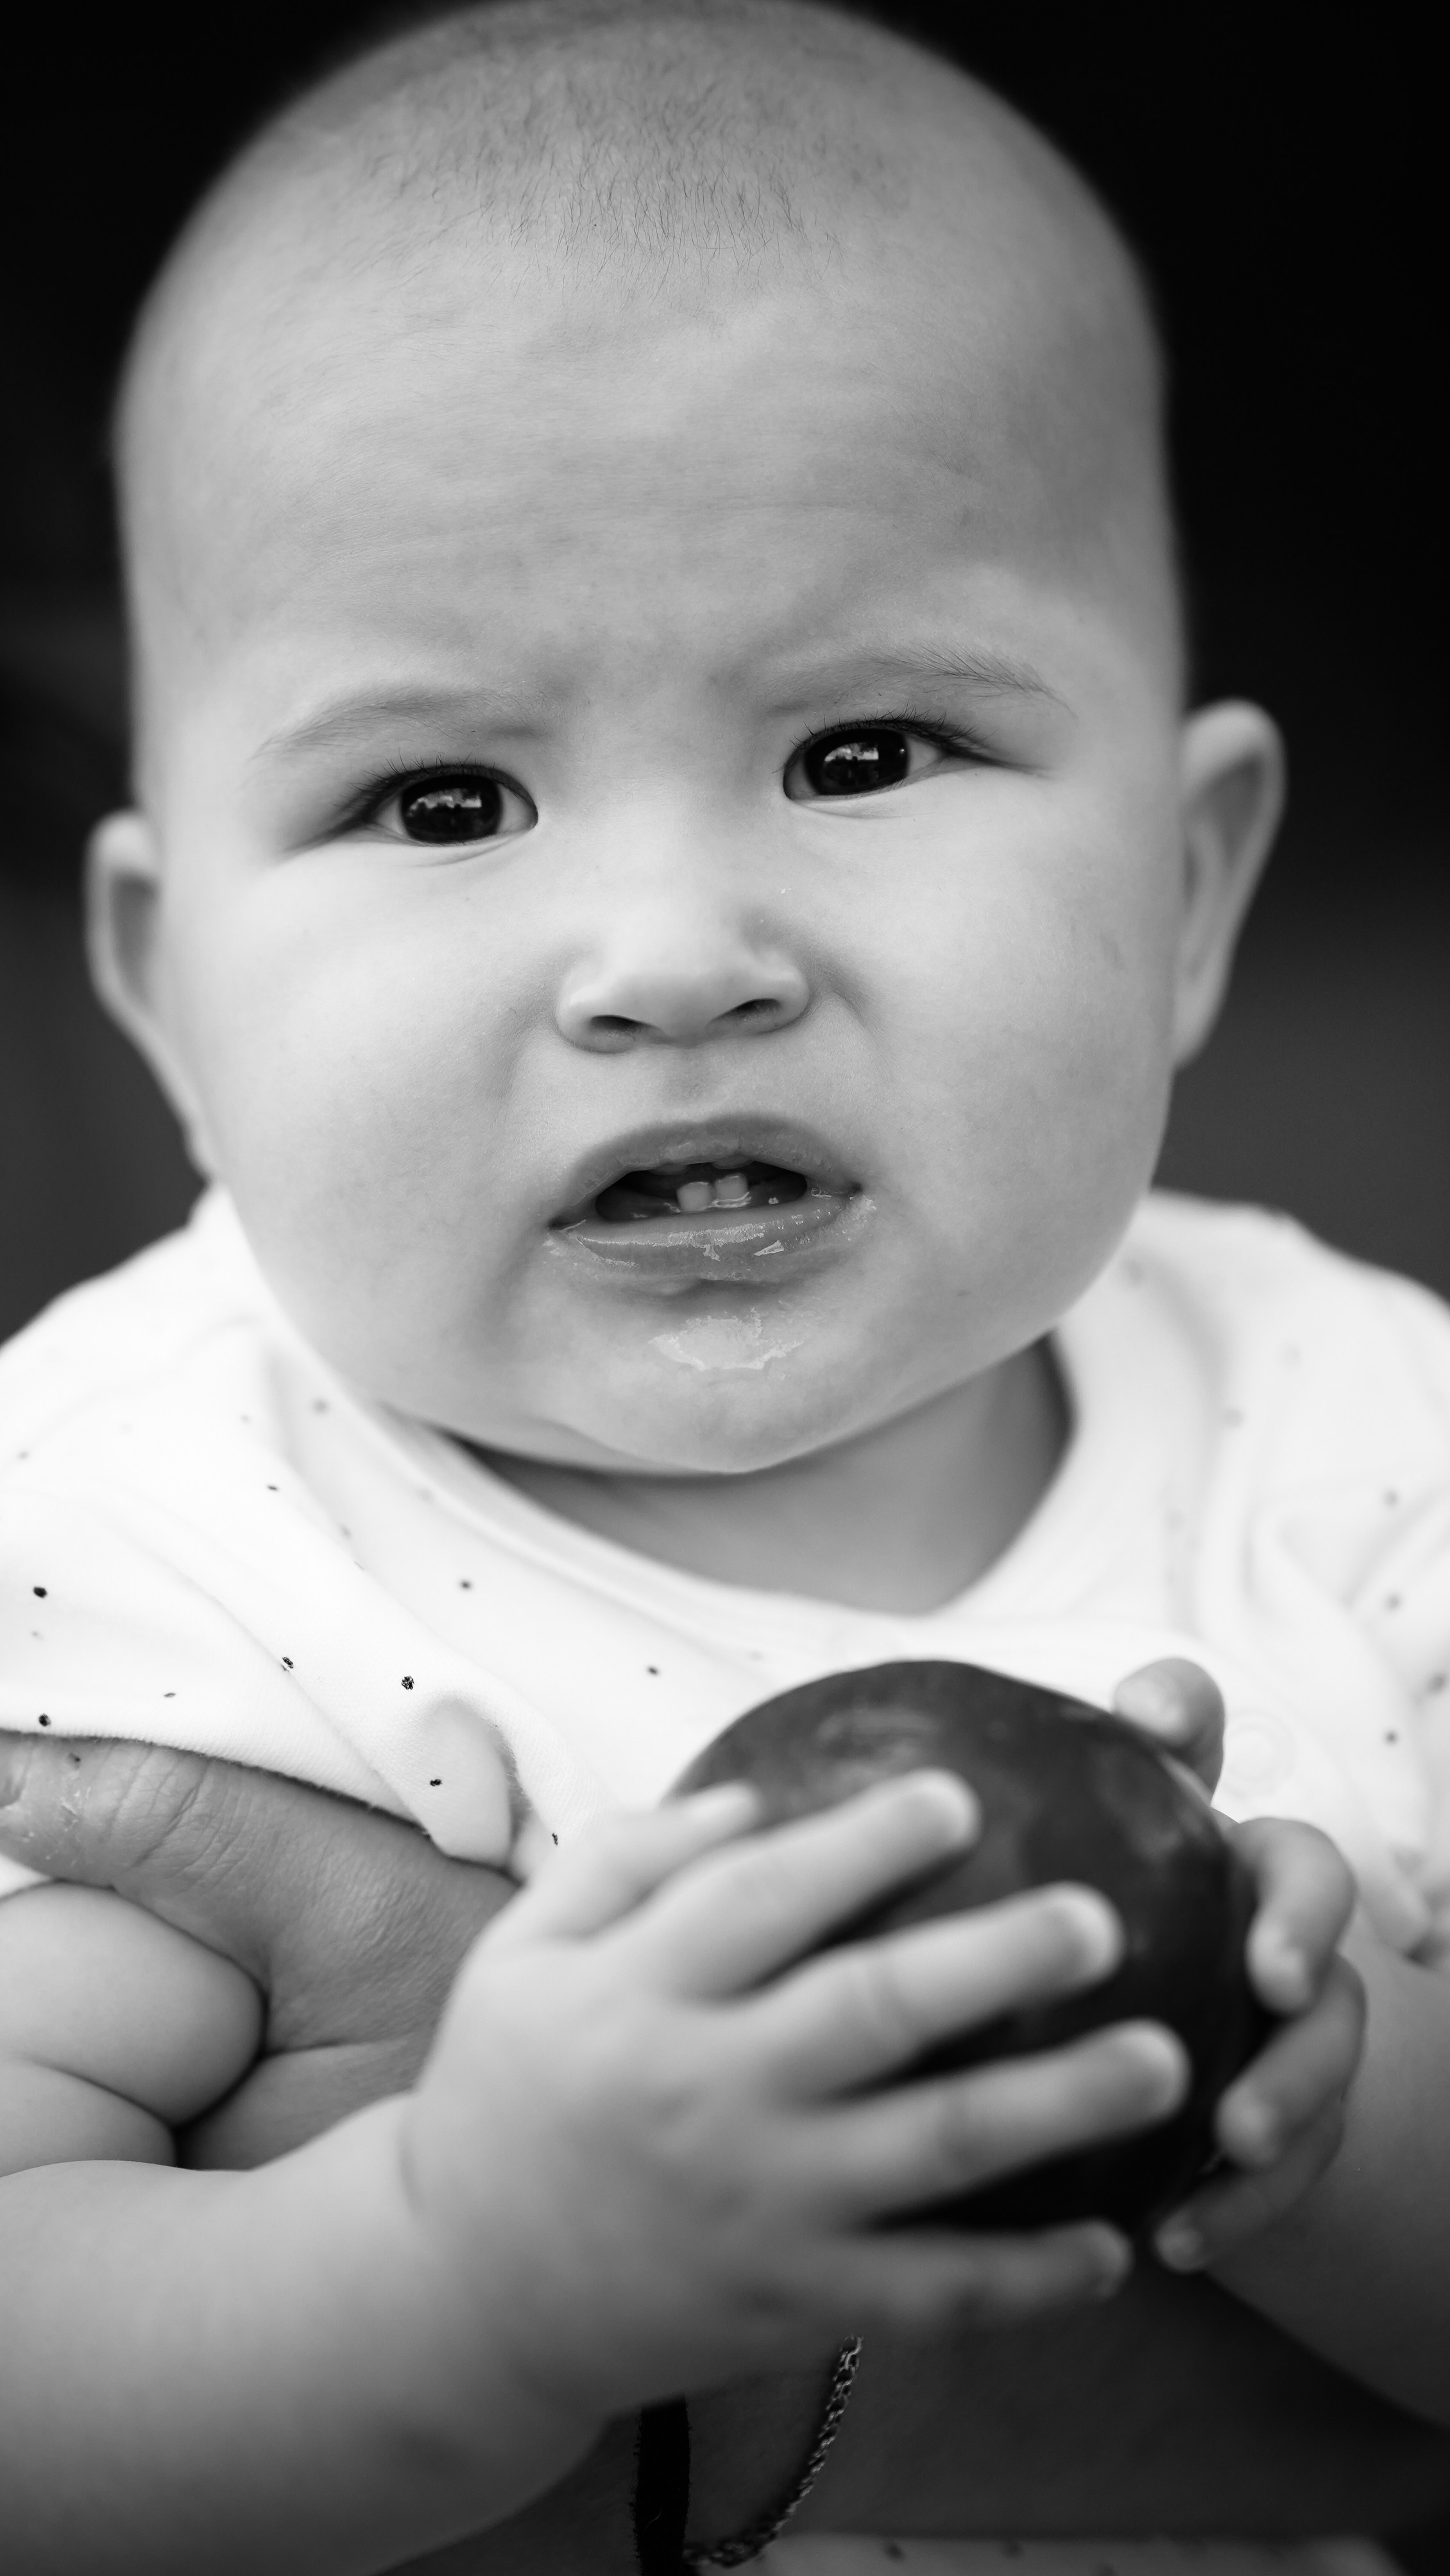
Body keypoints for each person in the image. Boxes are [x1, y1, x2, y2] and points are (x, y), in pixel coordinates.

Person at [0, 0, 1447, 2566]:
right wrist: (468, 2267)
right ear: (171, 989)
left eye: (864, 748)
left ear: (1190, 889)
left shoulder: (1363, 1456)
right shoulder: (150, 1553)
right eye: (442, 796)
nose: (673, 951)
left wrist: (1322, 2115)